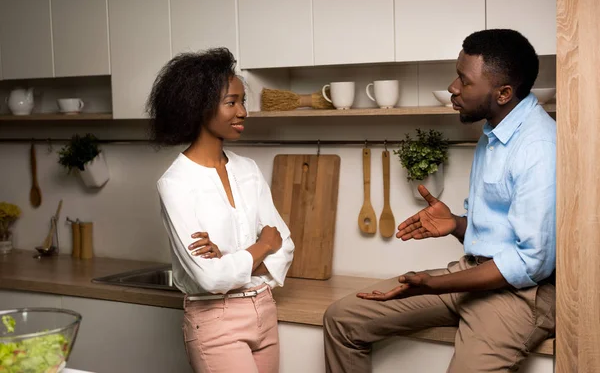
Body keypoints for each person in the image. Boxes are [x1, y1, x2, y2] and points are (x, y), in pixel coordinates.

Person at [323, 29, 556, 373]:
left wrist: (434, 284)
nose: (453, 87)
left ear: (504, 93)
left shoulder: (539, 147)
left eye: (464, 80)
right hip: (472, 274)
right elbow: (500, 234)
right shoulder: (495, 132)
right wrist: (458, 224)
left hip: (520, 296)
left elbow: (529, 263)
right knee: (342, 320)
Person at [149, 47, 295, 373]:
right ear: (198, 108)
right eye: (231, 102)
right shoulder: (175, 183)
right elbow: (209, 277)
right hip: (215, 321)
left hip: (264, 310)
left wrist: (230, 257)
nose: (243, 111)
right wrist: (261, 246)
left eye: (243, 101)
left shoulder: (249, 170)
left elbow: (285, 245)